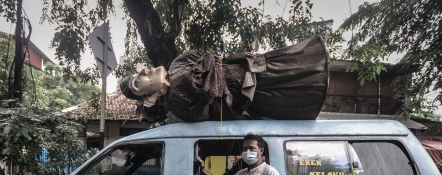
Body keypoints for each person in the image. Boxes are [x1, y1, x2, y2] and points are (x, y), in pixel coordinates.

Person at [120, 36, 329, 123]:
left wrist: (209, 73)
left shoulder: (178, 64)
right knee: (290, 91)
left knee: (291, 68)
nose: (144, 71)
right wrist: (210, 77)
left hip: (249, 69)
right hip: (247, 94)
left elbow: (208, 59)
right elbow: (206, 102)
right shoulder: (175, 101)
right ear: (148, 98)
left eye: (139, 73)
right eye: (138, 82)